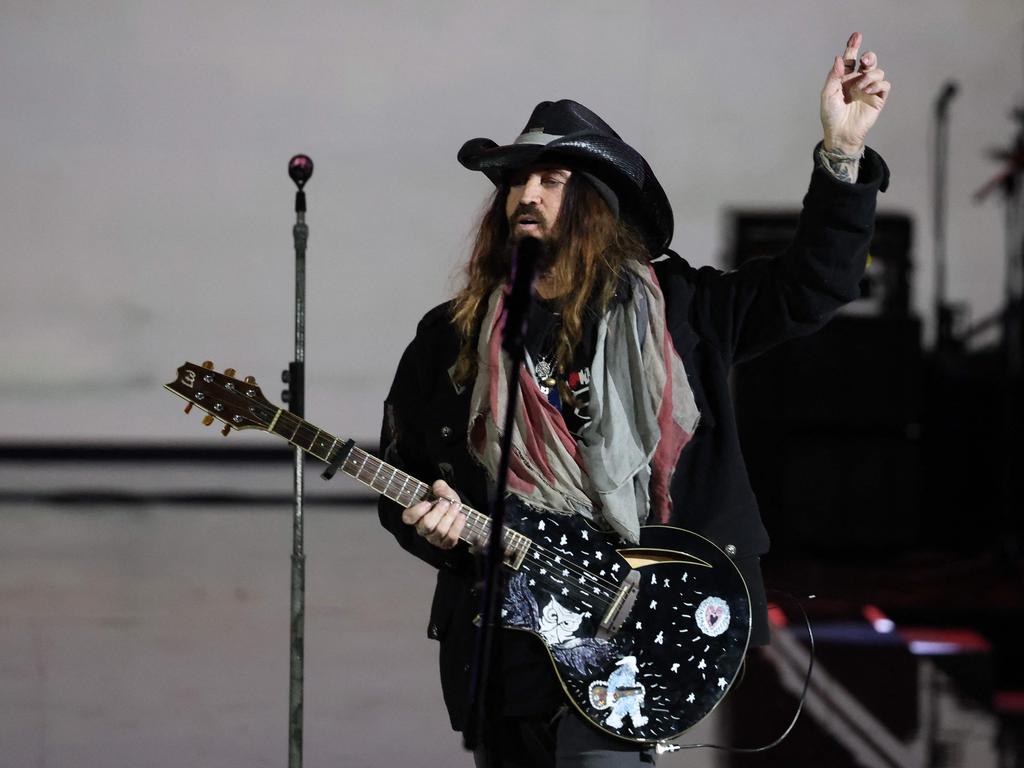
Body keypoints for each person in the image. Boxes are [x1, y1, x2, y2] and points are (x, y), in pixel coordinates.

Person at [378, 32, 891, 767]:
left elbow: (814, 285)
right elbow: (406, 476)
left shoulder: (683, 309)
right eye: (515, 180)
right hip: (512, 645)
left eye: (551, 179)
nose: (525, 194)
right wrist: (427, 526)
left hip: (642, 627)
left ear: (596, 204)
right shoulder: (452, 336)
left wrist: (841, 157)